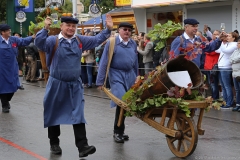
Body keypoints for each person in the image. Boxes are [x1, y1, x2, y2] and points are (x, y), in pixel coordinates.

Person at [34, 15, 113, 158]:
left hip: (75, 85)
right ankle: (54, 143)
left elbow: (96, 40)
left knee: (78, 114)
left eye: (73, 26)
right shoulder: (53, 40)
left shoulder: (79, 40)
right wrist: (45, 28)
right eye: (68, 25)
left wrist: (108, 29)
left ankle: (83, 146)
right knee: (53, 113)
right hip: (56, 83)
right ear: (62, 26)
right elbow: (39, 43)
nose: (71, 28)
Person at [96, 22, 138, 143]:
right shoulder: (112, 42)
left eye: (129, 30)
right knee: (121, 101)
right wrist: (100, 81)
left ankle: (121, 131)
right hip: (116, 74)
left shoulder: (133, 43)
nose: (127, 32)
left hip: (130, 75)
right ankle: (117, 132)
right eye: (125, 29)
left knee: (129, 102)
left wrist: (137, 77)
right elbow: (104, 62)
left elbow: (135, 62)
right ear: (119, 30)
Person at [0, 24, 34, 113]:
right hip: (1, 69)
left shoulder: (13, 40)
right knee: (2, 86)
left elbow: (23, 41)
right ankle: (4, 105)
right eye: (8, 30)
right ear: (2, 32)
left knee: (13, 85)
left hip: (12, 67)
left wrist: (32, 37)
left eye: (9, 30)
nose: (10, 32)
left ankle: (7, 100)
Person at [216, 32, 238, 109]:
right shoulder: (227, 44)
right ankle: (225, 102)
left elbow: (225, 51)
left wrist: (222, 41)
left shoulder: (234, 44)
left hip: (226, 67)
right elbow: (217, 50)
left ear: (234, 38)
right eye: (226, 36)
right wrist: (219, 41)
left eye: (228, 36)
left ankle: (229, 103)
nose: (227, 37)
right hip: (221, 66)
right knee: (223, 86)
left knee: (227, 86)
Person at [230, 39, 240, 112]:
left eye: (239, 43)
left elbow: (238, 58)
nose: (237, 44)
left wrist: (233, 60)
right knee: (237, 90)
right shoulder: (235, 51)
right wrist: (233, 60)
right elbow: (230, 59)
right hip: (234, 73)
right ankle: (238, 104)